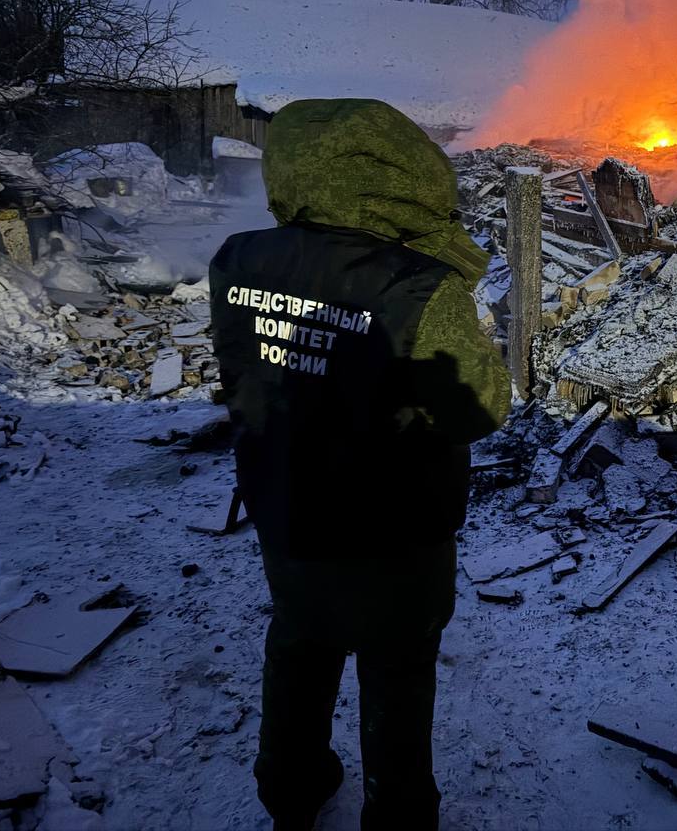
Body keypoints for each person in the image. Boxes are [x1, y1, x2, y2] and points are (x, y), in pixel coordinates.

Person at [209, 98, 511, 831]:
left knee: (299, 644)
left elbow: (248, 369)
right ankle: (399, 813)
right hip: (394, 528)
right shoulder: (419, 285)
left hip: (286, 505)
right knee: (398, 672)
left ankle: (291, 790)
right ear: (400, 174)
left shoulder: (238, 257)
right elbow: (478, 409)